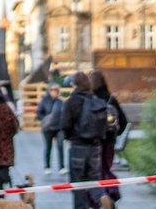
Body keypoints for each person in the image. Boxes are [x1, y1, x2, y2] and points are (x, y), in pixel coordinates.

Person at [61, 72, 110, 209]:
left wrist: (69, 136)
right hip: (95, 147)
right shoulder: (97, 101)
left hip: (78, 146)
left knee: (78, 184)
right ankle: (102, 197)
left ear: (74, 85)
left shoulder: (72, 101)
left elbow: (64, 124)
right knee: (93, 181)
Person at [90, 70, 127, 204]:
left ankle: (99, 199)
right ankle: (111, 193)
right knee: (107, 167)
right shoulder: (111, 98)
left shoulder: (89, 99)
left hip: (94, 142)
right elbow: (123, 121)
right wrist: (114, 135)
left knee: (95, 172)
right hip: (109, 142)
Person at [36, 83, 66, 175]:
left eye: (56, 90)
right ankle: (47, 166)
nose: (54, 92)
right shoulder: (44, 101)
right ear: (49, 91)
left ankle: (62, 167)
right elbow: (39, 113)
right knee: (48, 147)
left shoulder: (61, 102)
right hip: (48, 128)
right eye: (52, 90)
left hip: (59, 127)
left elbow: (65, 114)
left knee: (60, 146)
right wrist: (44, 119)